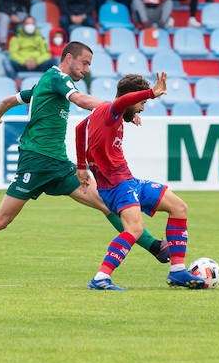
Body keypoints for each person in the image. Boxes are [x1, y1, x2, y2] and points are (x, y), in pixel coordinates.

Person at [0, 41, 170, 284]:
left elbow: (7, 101)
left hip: (58, 164)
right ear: (68, 58)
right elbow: (80, 100)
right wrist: (117, 110)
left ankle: (156, 248)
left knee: (107, 204)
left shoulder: (43, 84)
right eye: (85, 63)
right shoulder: (59, 78)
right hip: (35, 162)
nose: (87, 69)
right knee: (1, 220)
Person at [78, 73, 205, 290]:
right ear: (131, 98)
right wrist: (151, 93)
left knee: (178, 207)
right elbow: (122, 102)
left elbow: (80, 128)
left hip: (128, 181)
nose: (143, 108)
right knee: (135, 229)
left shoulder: (105, 113)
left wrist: (82, 165)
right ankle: (101, 278)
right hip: (116, 185)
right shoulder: (112, 109)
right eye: (142, 103)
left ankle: (177, 271)